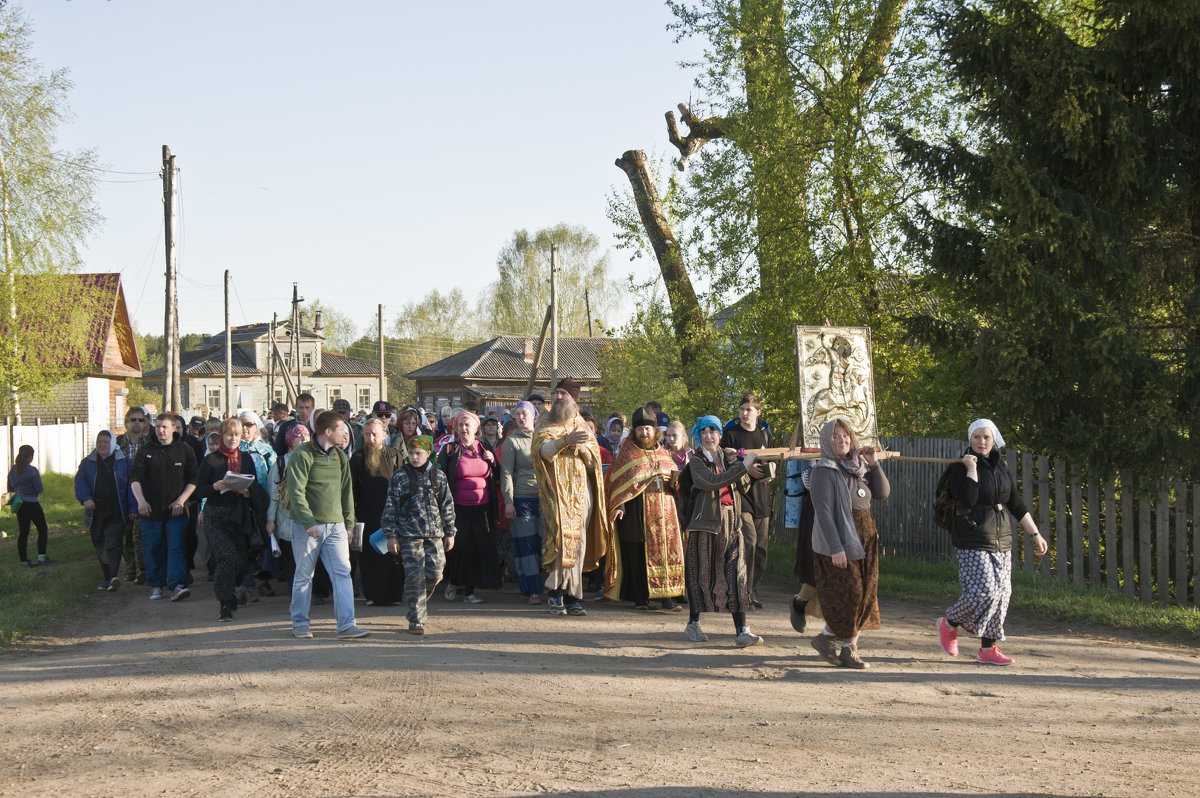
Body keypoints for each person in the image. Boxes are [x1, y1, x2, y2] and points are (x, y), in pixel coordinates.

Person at [937, 418, 1047, 666]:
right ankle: (949, 623)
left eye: (986, 437)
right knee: (984, 590)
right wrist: (971, 469)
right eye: (976, 437)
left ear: (994, 439)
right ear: (970, 440)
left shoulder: (1001, 467)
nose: (981, 442)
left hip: (1001, 537)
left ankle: (988, 649)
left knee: (1002, 593)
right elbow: (967, 499)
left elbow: (1015, 504)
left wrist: (1035, 534)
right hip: (971, 535)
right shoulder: (959, 467)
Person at [808, 418, 890, 669]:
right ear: (827, 441)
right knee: (851, 594)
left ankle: (831, 641)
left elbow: (883, 493)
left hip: (867, 536)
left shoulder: (859, 465)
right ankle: (846, 648)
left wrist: (874, 464)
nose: (842, 440)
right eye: (836, 437)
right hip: (841, 539)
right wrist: (836, 548)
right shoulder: (823, 471)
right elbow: (823, 513)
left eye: (845, 436)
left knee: (865, 594)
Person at [286, 410, 370, 639]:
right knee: (304, 576)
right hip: (307, 529)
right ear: (328, 431)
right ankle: (300, 623)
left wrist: (349, 524)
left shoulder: (340, 457)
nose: (346, 433)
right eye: (342, 429)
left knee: (343, 573)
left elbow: (347, 492)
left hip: (336, 528)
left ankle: (346, 625)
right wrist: (308, 522)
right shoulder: (301, 455)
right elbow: (296, 493)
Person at [681, 415, 763, 647]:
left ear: (720, 435)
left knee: (737, 574)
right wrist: (742, 466)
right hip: (705, 523)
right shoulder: (696, 461)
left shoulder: (728, 459)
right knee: (702, 575)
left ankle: (742, 630)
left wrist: (737, 463)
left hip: (732, 521)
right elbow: (711, 482)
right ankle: (693, 623)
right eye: (704, 432)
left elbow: (744, 486)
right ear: (699, 436)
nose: (708, 436)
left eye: (713, 431)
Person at [532, 379, 610, 616]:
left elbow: (594, 463)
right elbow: (542, 452)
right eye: (555, 392)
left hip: (581, 494)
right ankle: (555, 592)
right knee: (560, 539)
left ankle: (574, 596)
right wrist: (564, 441)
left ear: (574, 398)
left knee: (579, 542)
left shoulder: (582, 426)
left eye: (563, 393)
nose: (557, 397)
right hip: (555, 494)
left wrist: (584, 451)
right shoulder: (545, 422)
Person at [604, 407, 685, 611]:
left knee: (664, 554)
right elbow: (619, 483)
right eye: (640, 429)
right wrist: (620, 505)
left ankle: (666, 597)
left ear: (655, 430)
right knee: (637, 554)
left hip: (663, 514)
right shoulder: (627, 453)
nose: (644, 433)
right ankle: (640, 598)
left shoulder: (662, 452)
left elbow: (672, 480)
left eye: (648, 429)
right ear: (634, 431)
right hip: (635, 512)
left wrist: (675, 483)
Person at [194, 418, 269, 622]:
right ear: (221, 436)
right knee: (225, 558)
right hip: (216, 515)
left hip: (240, 516)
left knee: (240, 561)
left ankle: (230, 592)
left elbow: (254, 485)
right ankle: (225, 604)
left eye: (237, 434)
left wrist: (247, 492)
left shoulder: (246, 458)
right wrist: (214, 487)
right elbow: (198, 490)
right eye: (229, 434)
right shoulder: (211, 460)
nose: (233, 438)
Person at [382, 435, 457, 634]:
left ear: (428, 453)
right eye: (411, 453)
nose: (414, 457)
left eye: (419, 453)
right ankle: (416, 618)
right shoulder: (400, 476)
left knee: (436, 573)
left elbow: (447, 504)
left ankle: (419, 601)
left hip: (434, 534)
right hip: (408, 534)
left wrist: (450, 532)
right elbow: (391, 506)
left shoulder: (438, 475)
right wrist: (390, 535)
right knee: (414, 577)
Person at [130, 415, 198, 601]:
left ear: (174, 428)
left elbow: (193, 480)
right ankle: (156, 585)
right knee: (153, 548)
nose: (161, 430)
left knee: (176, 548)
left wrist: (181, 501)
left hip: (176, 512)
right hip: (150, 512)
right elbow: (134, 478)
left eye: (165, 427)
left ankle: (176, 585)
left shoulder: (185, 450)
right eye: (158, 426)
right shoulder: (145, 451)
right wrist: (141, 502)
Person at [437, 410, 501, 603]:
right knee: (459, 547)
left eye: (468, 425)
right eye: (461, 425)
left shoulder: (484, 447)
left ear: (476, 428)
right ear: (456, 428)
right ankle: (453, 582)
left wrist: (492, 461)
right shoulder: (449, 449)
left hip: (482, 508)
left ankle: (470, 591)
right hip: (458, 508)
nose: (464, 428)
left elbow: (497, 474)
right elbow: (439, 479)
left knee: (477, 548)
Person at [720, 393, 774, 609]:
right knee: (748, 542)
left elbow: (772, 457)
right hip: (741, 496)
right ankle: (742, 592)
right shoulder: (731, 433)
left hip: (762, 495)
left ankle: (752, 591)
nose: (744, 413)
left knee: (761, 548)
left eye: (748, 410)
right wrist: (745, 468)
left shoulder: (764, 432)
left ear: (758, 412)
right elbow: (724, 461)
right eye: (741, 409)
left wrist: (772, 471)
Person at [351, 418, 404, 605]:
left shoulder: (394, 455)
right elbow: (351, 489)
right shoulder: (357, 458)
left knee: (392, 555)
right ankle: (372, 595)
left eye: (375, 434)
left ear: (384, 435)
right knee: (370, 555)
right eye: (367, 434)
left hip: (391, 514)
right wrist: (353, 514)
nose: (371, 438)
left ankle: (394, 595)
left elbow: (403, 485)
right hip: (367, 514)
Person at [74, 431, 134, 590]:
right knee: (99, 542)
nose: (102, 445)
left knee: (113, 543)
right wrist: (85, 498)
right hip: (96, 513)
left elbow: (131, 486)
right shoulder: (88, 463)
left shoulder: (124, 462)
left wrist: (133, 507)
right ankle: (107, 577)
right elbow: (80, 482)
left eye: (106, 442)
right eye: (99, 441)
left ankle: (113, 577)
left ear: (113, 443)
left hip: (117, 511)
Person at [501, 400, 544, 603]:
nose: (520, 417)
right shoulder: (512, 441)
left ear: (533, 415)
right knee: (527, 546)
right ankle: (533, 589)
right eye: (517, 414)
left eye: (524, 413)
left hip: (545, 498)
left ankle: (551, 587)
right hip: (522, 498)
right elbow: (507, 472)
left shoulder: (543, 438)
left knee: (544, 542)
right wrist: (508, 500)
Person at [238, 410, 278, 598]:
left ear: (256, 427)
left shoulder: (267, 450)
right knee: (244, 541)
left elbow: (275, 477)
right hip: (241, 501)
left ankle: (264, 580)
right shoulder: (235, 449)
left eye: (249, 425)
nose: (246, 429)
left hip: (263, 502)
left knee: (264, 540)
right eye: (242, 424)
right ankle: (246, 581)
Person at [266, 424, 310, 595]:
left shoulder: (314, 459)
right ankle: (296, 596)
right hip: (286, 520)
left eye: (307, 435)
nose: (304, 439)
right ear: (291, 440)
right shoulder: (280, 463)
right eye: (300, 436)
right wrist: (270, 520)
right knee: (291, 562)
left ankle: (306, 594)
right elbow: (273, 494)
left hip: (309, 519)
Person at [116, 406, 150, 583]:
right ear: (126, 423)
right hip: (122, 494)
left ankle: (142, 569)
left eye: (141, 420)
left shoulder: (149, 444)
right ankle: (130, 569)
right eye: (133, 420)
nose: (137, 423)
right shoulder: (117, 444)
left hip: (143, 494)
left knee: (140, 534)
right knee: (126, 534)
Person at [9, 445, 51, 567]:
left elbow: (10, 487)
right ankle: (42, 557)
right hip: (32, 503)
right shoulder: (32, 471)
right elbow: (40, 488)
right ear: (30, 457)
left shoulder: (13, 470)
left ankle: (23, 561)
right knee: (42, 529)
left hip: (19, 504)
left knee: (23, 532)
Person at [273, 392, 316, 457]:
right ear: (296, 408)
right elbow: (278, 451)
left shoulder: (318, 427)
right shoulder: (286, 427)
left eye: (307, 408)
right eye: (301, 407)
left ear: (313, 408)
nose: (303, 411)